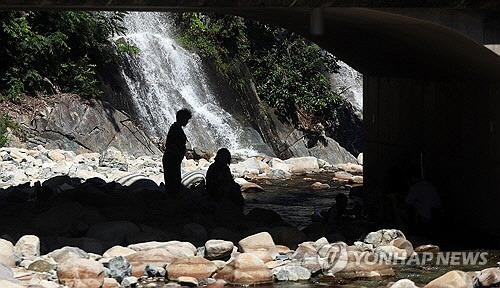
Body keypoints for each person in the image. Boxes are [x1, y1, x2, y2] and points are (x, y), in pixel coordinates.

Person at [163, 109, 192, 196]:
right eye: (186, 120)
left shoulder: (176, 128)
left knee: (173, 181)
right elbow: (170, 144)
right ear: (182, 119)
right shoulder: (176, 129)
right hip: (172, 158)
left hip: (173, 158)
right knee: (173, 181)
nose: (187, 122)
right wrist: (180, 152)